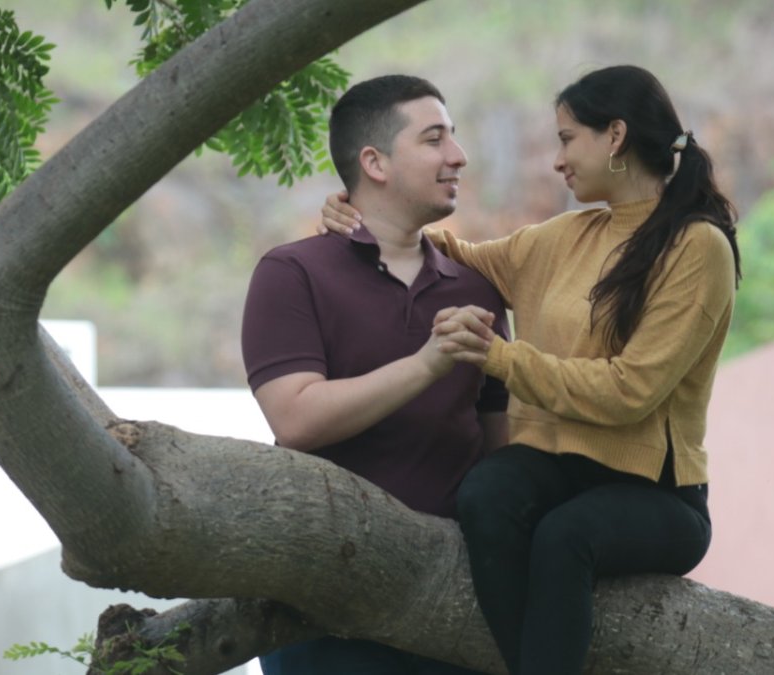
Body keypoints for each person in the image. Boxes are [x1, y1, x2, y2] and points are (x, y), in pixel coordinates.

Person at [321, 65, 741, 675]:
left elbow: (631, 392)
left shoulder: (698, 247)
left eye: (568, 138)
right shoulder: (564, 236)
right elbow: (454, 257)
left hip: (657, 494)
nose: (557, 160)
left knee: (565, 537)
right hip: (561, 469)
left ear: (615, 136)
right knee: (487, 491)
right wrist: (360, 212)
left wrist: (498, 354)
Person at [241, 74, 508, 675]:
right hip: (319, 604)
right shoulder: (291, 273)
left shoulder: (477, 284)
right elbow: (297, 419)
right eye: (434, 139)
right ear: (374, 162)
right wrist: (427, 363)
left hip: (453, 606)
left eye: (454, 139)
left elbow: (499, 443)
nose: (457, 156)